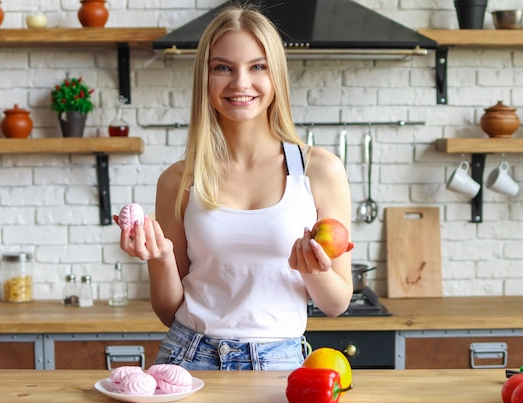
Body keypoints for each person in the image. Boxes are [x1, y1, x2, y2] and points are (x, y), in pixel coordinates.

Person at [117, 3, 353, 371]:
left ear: (275, 76)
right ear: (206, 78)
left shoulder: (319, 171)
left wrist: (312, 270)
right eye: (222, 67)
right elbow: (168, 312)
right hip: (187, 356)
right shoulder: (179, 180)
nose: (240, 83)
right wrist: (160, 258)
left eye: (257, 66)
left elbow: (336, 304)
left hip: (280, 362)